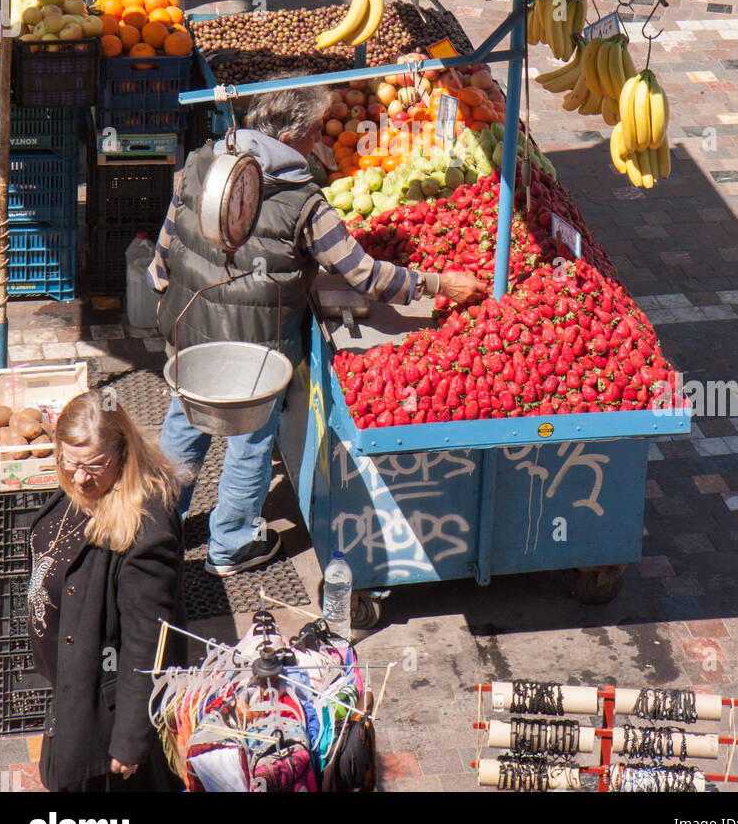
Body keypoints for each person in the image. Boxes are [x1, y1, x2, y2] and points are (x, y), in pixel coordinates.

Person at [152, 85, 488, 577]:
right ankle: (231, 545)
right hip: (256, 348)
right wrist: (438, 284)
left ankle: (155, 528)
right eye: (314, 134)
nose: (320, 144)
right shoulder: (303, 202)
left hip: (191, 329)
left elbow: (165, 248)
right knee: (249, 438)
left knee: (185, 421)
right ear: (289, 136)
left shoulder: (201, 162)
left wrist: (164, 287)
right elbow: (365, 275)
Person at [27, 390, 186, 792]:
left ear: (122, 452)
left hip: (106, 710)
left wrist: (131, 739)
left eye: (95, 465)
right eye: (70, 462)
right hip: (74, 684)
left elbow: (146, 643)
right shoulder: (88, 488)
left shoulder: (146, 532)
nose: (80, 478)